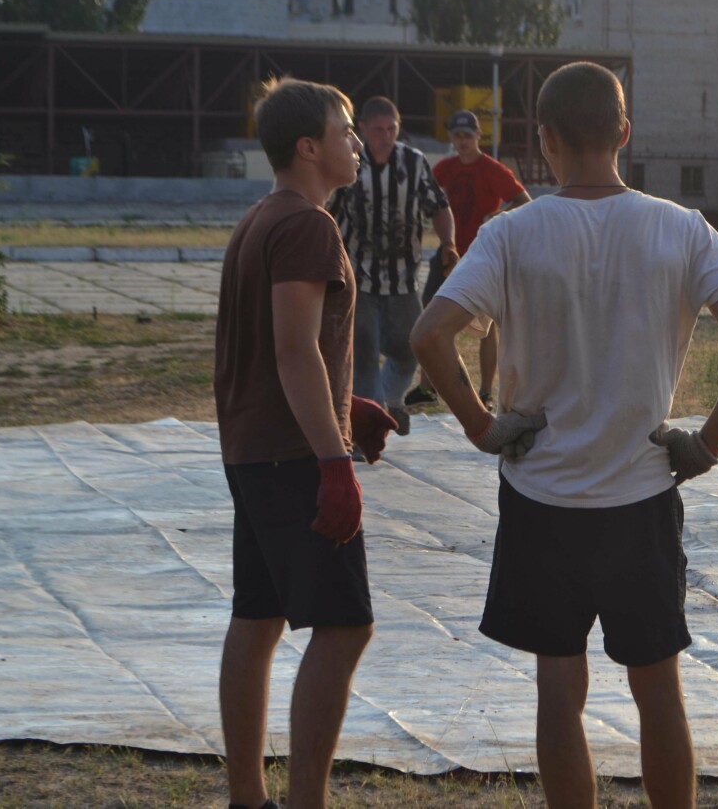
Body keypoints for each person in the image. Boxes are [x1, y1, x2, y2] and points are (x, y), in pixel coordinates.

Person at [411, 62, 718, 809]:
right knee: (658, 691)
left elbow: (429, 335)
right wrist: (705, 444)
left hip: (543, 497)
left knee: (558, 688)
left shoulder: (512, 234)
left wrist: (483, 426)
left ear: (544, 140)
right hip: (639, 496)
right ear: (625, 134)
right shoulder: (682, 229)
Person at [214, 77, 399, 809]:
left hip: (256, 450)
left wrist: (349, 408)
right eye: (346, 129)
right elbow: (293, 352)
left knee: (257, 619)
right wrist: (334, 460)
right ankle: (304, 803)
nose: (357, 142)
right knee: (346, 626)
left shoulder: (260, 219)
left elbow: (277, 352)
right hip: (293, 459)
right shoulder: (306, 227)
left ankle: (246, 797)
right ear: (308, 147)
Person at [328, 96, 456, 439]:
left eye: (392, 129)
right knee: (362, 356)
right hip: (359, 277)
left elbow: (439, 206)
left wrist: (448, 243)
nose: (386, 136)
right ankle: (364, 428)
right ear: (364, 130)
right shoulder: (349, 163)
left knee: (411, 350)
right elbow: (326, 209)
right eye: (379, 130)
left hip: (402, 279)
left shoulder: (412, 163)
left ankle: (390, 400)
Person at [415, 108, 531, 409]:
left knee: (484, 327)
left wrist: (497, 216)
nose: (463, 141)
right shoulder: (445, 167)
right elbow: (425, 193)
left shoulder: (492, 169)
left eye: (468, 135)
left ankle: (485, 392)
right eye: (457, 136)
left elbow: (523, 200)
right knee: (430, 319)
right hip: (448, 255)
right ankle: (427, 388)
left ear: (478, 136)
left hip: (480, 259)